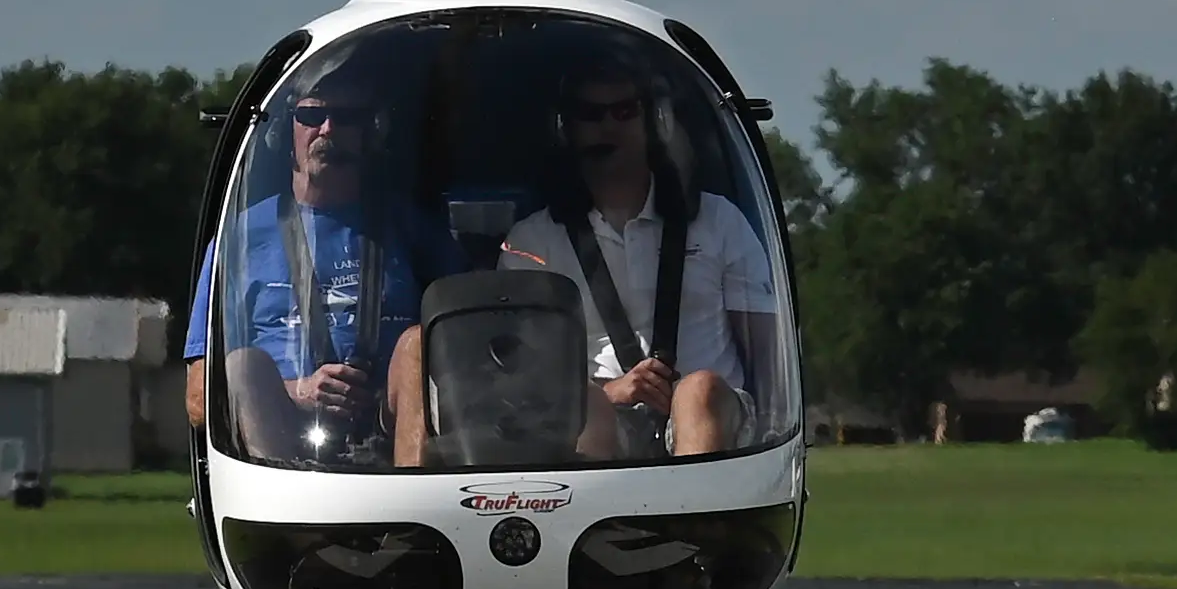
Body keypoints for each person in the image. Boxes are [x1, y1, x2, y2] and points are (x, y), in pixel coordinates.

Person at [499, 60, 778, 459]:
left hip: (715, 414)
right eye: (591, 115)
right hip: (600, 415)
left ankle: (695, 518)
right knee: (585, 403)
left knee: (697, 393)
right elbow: (525, 373)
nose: (609, 127)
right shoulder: (531, 241)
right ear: (566, 129)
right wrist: (612, 392)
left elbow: (767, 352)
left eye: (625, 112)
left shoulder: (719, 221)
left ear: (656, 122)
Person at [188, 65, 440, 465]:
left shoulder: (411, 228)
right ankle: (283, 509)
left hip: (388, 422)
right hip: (285, 435)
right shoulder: (237, 238)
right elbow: (199, 398)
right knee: (242, 365)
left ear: (370, 133)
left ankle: (413, 506)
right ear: (285, 132)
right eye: (310, 116)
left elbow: (469, 340)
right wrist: (297, 390)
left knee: (417, 345)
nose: (327, 130)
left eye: (346, 118)